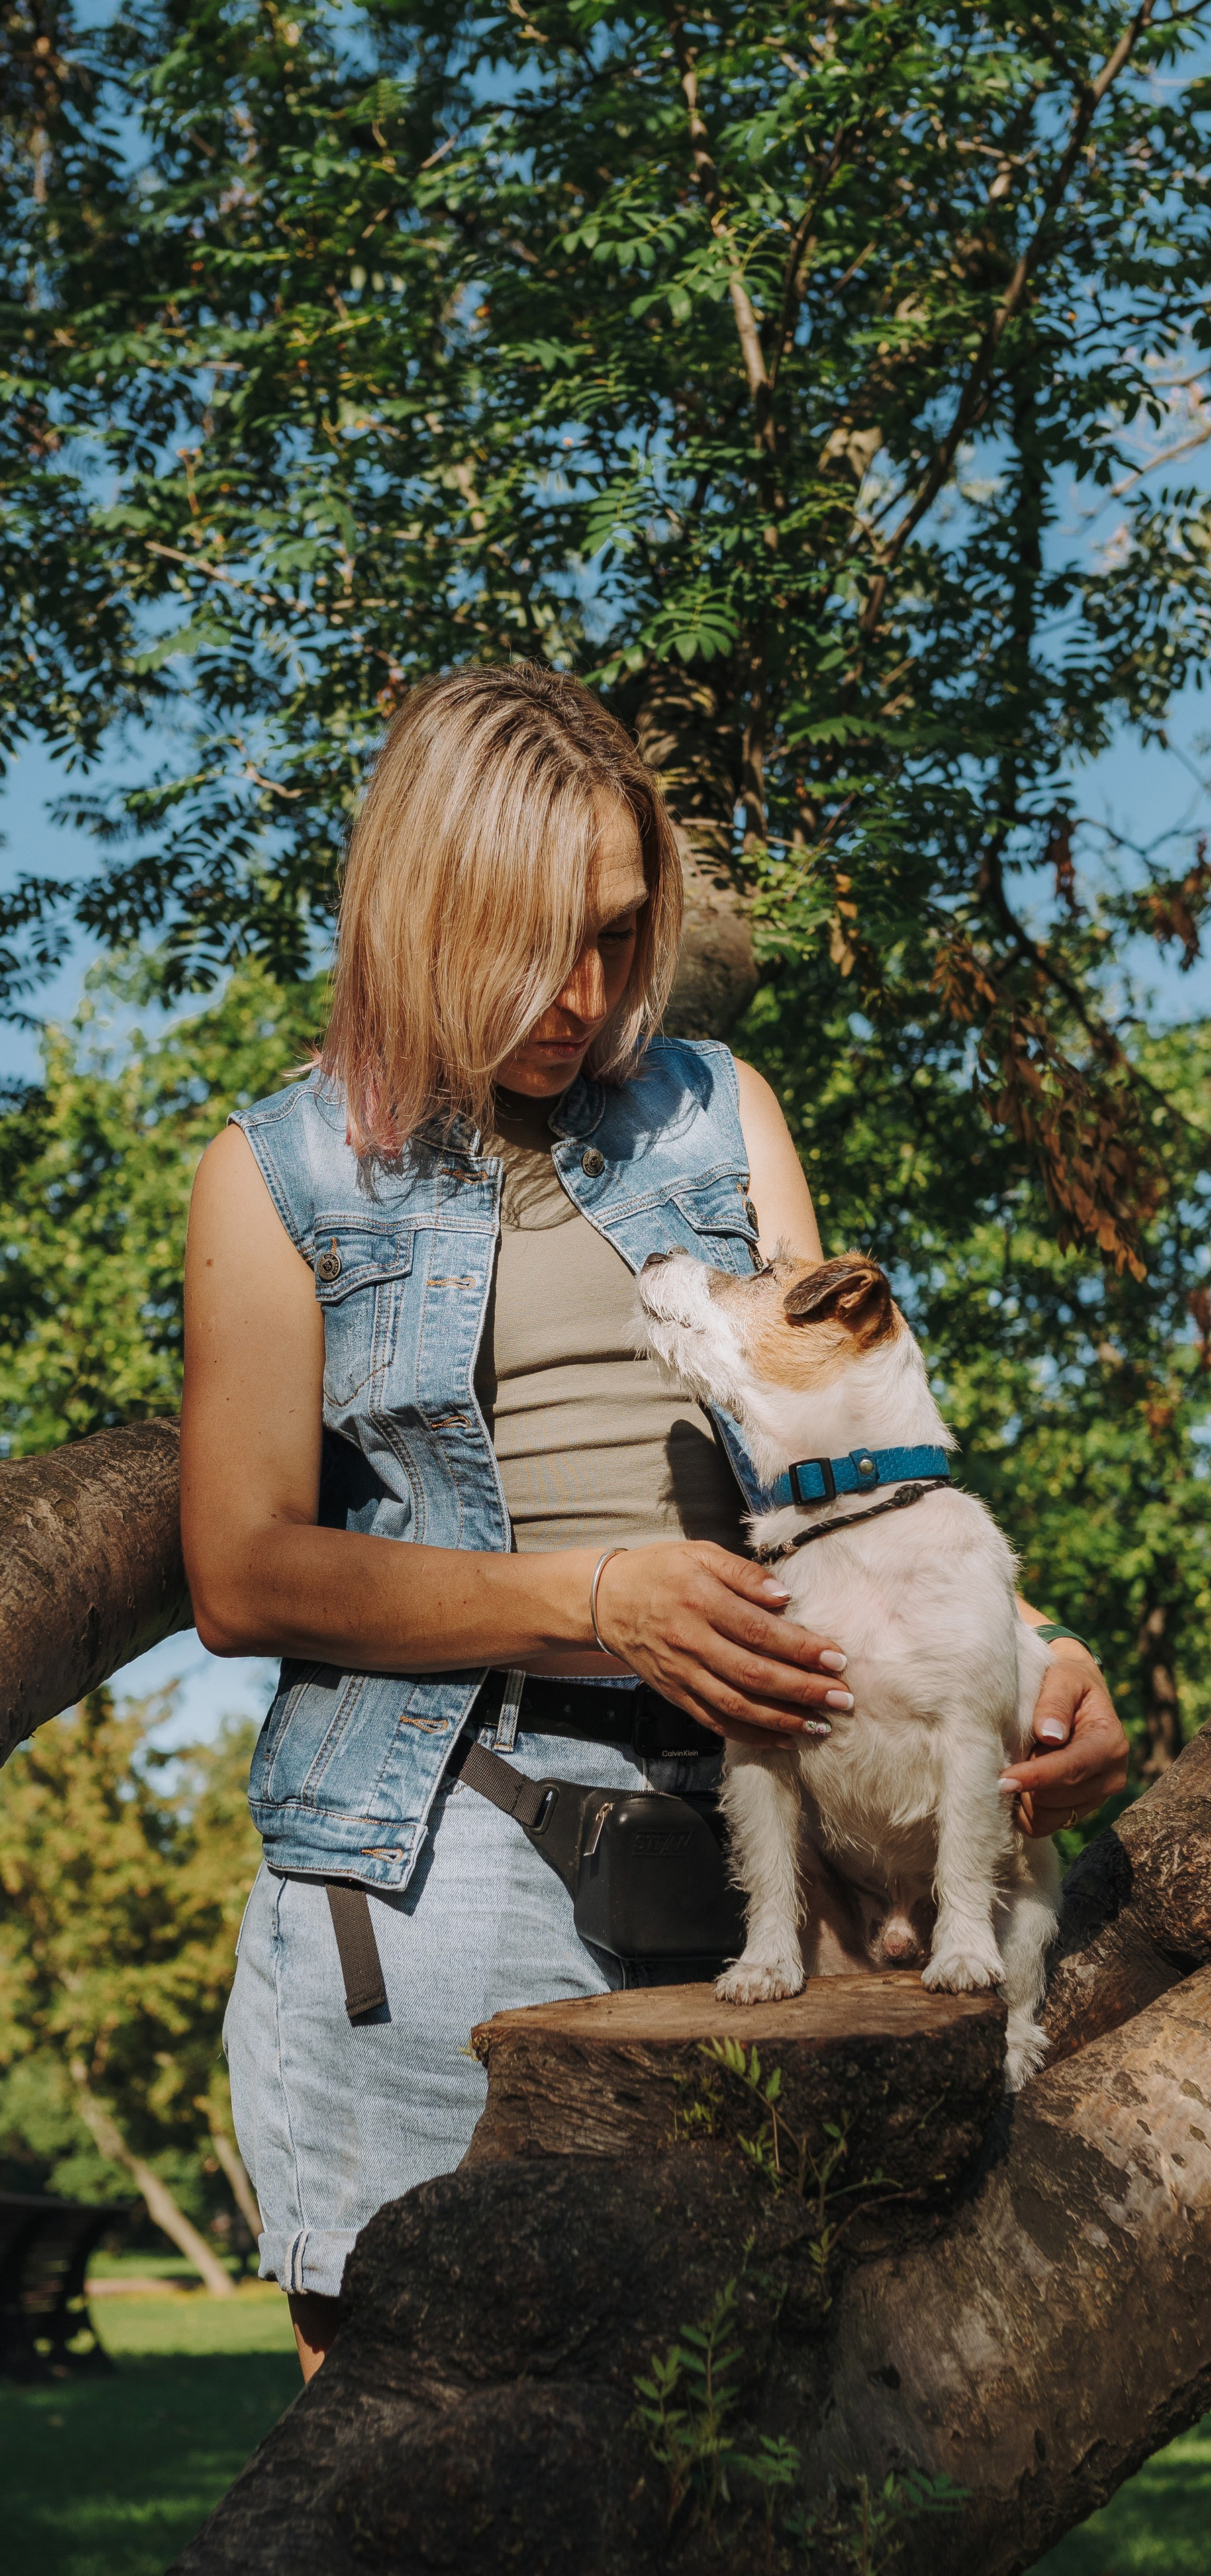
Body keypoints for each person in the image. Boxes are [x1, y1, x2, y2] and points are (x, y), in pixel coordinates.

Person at [180, 663, 1129, 2382]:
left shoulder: (713, 1104)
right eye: (535, 938)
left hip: (769, 1834)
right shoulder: (276, 1175)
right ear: (420, 905)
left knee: (760, 2429)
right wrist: (596, 1597)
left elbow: (845, 1452)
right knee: (417, 2444)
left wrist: (1036, 1654)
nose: (584, 990)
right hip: (438, 1848)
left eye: (619, 935)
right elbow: (242, 1571)